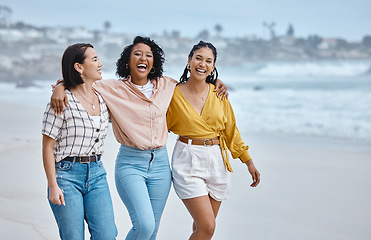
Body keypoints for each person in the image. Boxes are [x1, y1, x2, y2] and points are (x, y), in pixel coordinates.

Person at [49, 36, 228, 240]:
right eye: (137, 54)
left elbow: (196, 85)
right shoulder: (111, 88)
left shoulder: (168, 86)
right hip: (130, 163)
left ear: (154, 63)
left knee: (151, 232)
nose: (143, 57)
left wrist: (216, 81)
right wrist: (60, 86)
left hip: (160, 165)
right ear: (127, 61)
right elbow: (79, 83)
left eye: (149, 55)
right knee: (144, 225)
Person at [166, 41, 261, 240]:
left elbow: (231, 130)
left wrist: (248, 161)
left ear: (213, 66)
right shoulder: (172, 93)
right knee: (207, 227)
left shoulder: (219, 94)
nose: (202, 64)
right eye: (198, 58)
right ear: (189, 61)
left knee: (201, 228)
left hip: (217, 161)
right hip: (187, 159)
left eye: (209, 61)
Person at [41, 43, 117, 240]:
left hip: (97, 174)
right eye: (94, 59)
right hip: (66, 176)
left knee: (107, 235)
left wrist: (60, 84)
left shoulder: (103, 97)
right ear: (79, 67)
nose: (100, 64)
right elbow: (48, 147)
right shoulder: (61, 101)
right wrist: (52, 185)